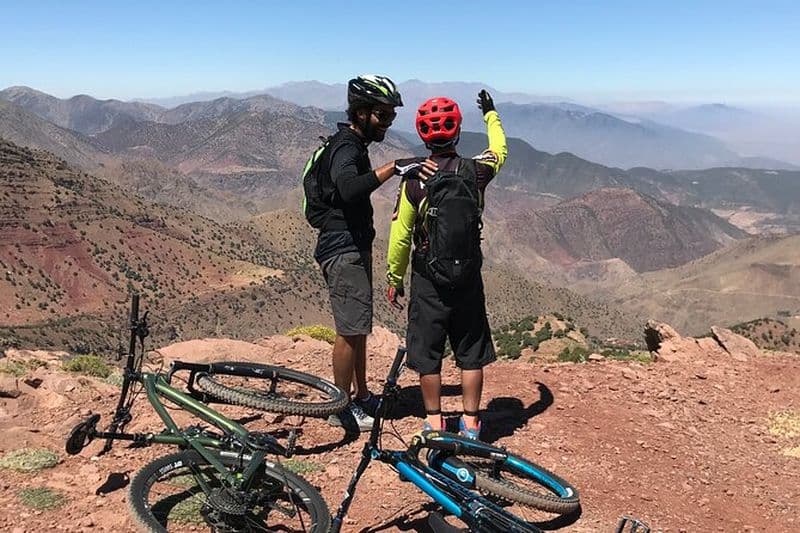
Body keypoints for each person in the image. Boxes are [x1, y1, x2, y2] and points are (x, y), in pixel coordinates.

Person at [310, 74, 436, 433]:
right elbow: (349, 189)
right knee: (349, 331)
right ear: (361, 112)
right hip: (343, 248)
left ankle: (362, 395)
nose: (388, 122)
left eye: (391, 115)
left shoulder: (353, 144)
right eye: (383, 114)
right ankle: (340, 407)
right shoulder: (346, 148)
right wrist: (395, 167)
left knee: (358, 328)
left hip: (353, 245)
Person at [386, 90, 507, 439]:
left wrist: (394, 277)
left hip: (428, 278)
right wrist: (491, 114)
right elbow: (500, 149)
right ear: (457, 132)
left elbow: (400, 236)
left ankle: (435, 421)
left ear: (423, 136)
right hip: (468, 274)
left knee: (428, 354)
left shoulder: (414, 180)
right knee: (471, 352)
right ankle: (470, 423)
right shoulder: (477, 171)